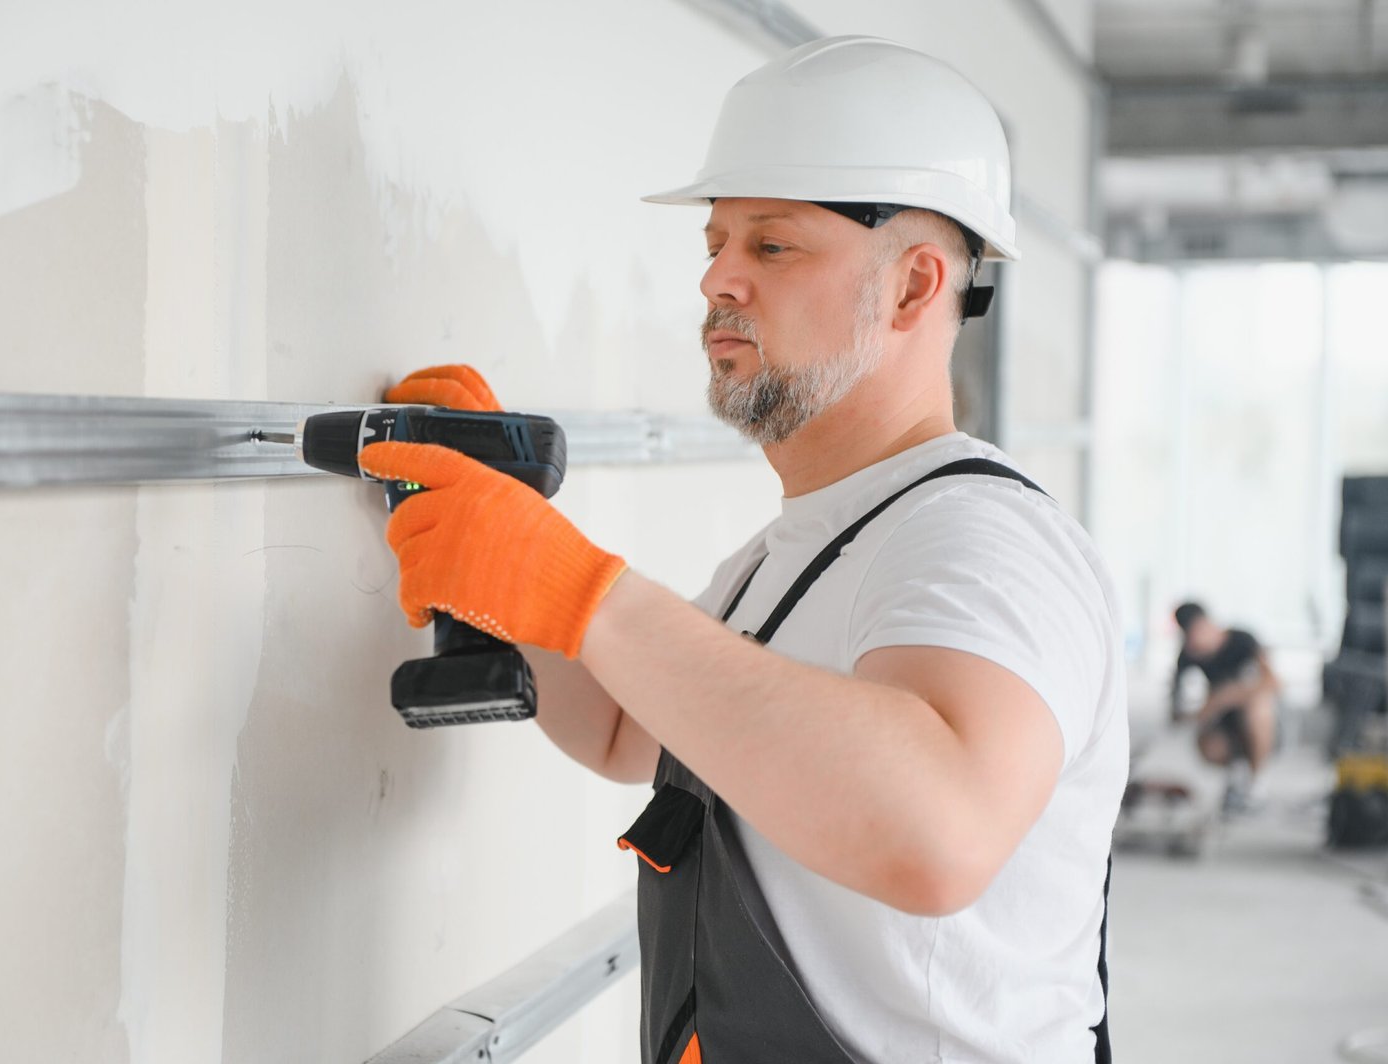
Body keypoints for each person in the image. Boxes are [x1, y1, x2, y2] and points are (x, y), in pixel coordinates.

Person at [364, 37, 1128, 1064]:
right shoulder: (793, 550)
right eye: (716, 241)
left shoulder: (982, 544)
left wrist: (586, 593)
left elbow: (938, 833)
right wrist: (503, 541)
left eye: (772, 246)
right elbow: (627, 729)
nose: (717, 278)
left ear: (913, 288)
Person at [1171, 601, 1281, 809]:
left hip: (1262, 720)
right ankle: (1238, 773)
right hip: (1225, 723)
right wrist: (1202, 708)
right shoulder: (1190, 655)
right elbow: (1177, 713)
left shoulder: (1241, 640)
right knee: (1207, 745)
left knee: (1258, 709)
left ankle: (1257, 782)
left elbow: (1274, 682)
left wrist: (1229, 695)